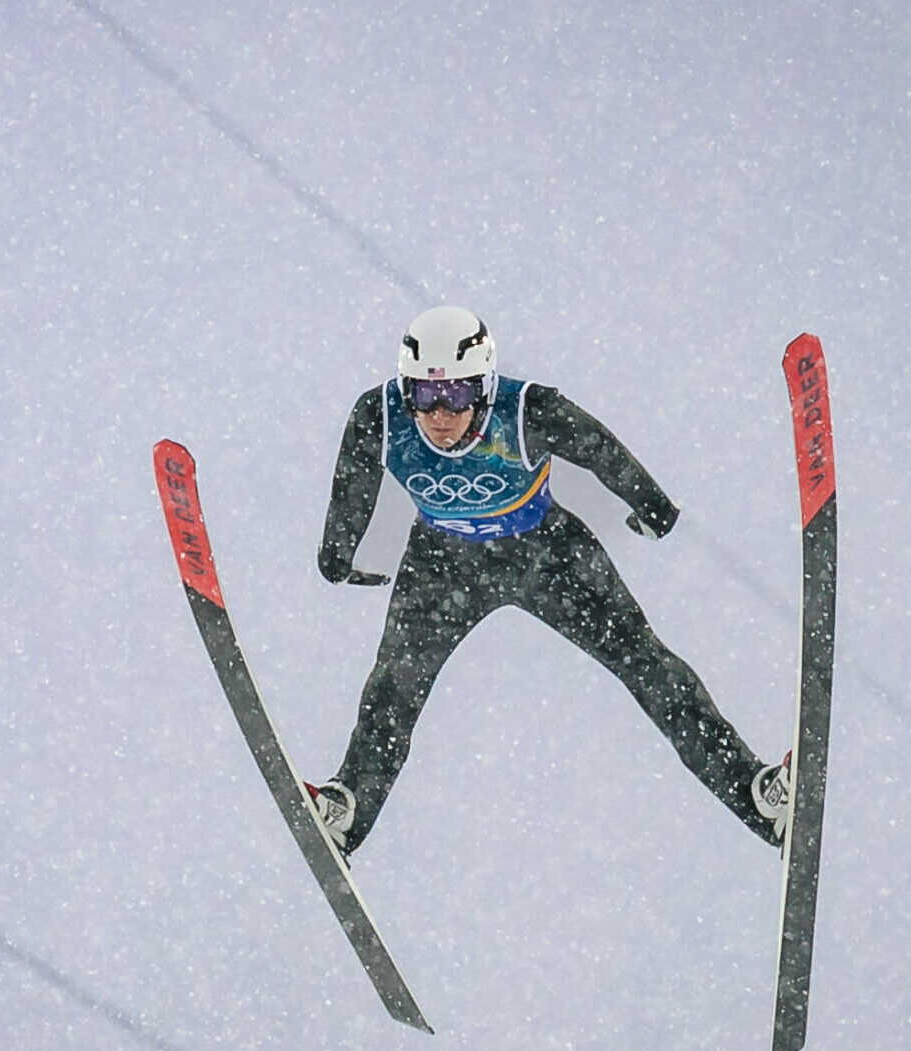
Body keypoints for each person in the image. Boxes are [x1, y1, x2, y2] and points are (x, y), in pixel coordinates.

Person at [309, 304, 789, 856]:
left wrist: (653, 506)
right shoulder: (380, 416)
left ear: (484, 388)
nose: (439, 414)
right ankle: (347, 809)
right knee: (392, 688)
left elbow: (600, 449)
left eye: (457, 395)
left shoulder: (527, 410)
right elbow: (353, 484)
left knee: (647, 665)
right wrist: (336, 553)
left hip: (546, 555)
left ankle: (755, 794)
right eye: (424, 394)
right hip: (441, 566)